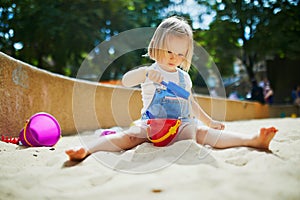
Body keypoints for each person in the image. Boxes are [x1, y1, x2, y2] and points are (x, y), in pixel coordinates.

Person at [66, 16, 278, 161]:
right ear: (157, 45)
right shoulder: (149, 70)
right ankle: (87, 149)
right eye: (169, 51)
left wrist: (209, 120)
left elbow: (190, 101)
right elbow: (126, 80)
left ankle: (253, 140)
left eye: (180, 54)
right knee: (128, 137)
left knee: (202, 133)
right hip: (152, 126)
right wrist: (145, 74)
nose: (174, 58)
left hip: (182, 124)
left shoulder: (183, 77)